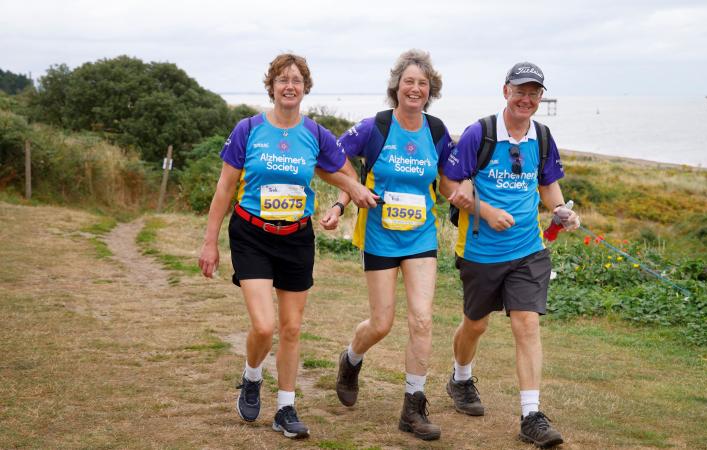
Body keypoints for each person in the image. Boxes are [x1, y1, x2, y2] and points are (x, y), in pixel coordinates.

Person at [197, 53, 375, 440]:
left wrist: (342, 199)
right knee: (264, 326)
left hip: (296, 238)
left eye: (296, 80)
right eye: (282, 79)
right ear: (272, 86)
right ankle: (252, 375)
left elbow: (341, 171)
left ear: (305, 88)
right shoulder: (248, 129)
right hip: (251, 234)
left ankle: (286, 408)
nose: (289, 85)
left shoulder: (315, 133)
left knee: (292, 329)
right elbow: (225, 188)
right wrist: (210, 242)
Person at [439, 62, 580, 448]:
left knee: (526, 324)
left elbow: (548, 184)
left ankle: (530, 415)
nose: (527, 99)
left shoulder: (543, 136)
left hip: (528, 250)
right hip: (481, 251)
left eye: (534, 93)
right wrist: (484, 211)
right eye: (520, 90)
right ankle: (461, 378)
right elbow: (449, 182)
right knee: (475, 325)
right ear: (505, 91)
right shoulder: (479, 134)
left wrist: (560, 210)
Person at [330, 49, 453, 442]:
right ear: (396, 87)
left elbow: (453, 179)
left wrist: (475, 201)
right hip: (380, 235)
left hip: (421, 236)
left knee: (422, 319)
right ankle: (351, 359)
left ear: (430, 90)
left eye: (423, 83)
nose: (416, 89)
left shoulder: (437, 132)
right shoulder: (375, 127)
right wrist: (348, 195)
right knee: (382, 323)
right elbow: (332, 155)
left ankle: (413, 407)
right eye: (409, 82)